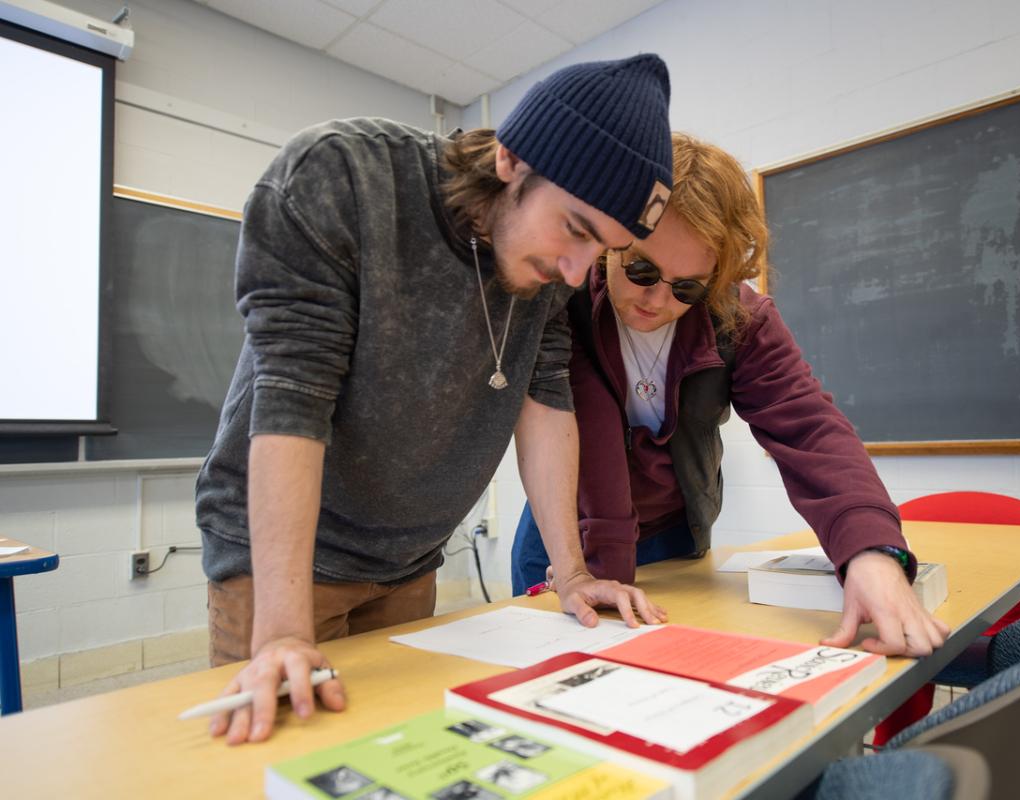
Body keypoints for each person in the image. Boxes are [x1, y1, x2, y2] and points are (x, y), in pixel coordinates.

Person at [195, 54, 674, 746]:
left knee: (395, 754)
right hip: (281, 570)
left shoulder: (558, 269)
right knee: (281, 756)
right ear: (511, 160)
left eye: (603, 251)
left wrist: (570, 573)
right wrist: (284, 632)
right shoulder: (341, 178)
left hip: (410, 564)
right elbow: (292, 399)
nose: (575, 272)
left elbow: (544, 398)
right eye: (573, 229)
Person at [510, 133, 950, 657]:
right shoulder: (567, 302)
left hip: (674, 532)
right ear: (611, 236)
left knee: (665, 672)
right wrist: (574, 567)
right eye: (641, 269)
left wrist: (871, 554)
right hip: (564, 535)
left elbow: (809, 428)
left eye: (687, 286)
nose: (656, 299)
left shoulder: (739, 318)